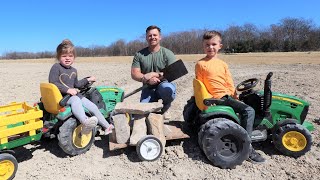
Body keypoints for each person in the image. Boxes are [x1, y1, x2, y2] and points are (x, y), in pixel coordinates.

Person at [195, 30, 266, 164]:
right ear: (203, 46)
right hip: (219, 98)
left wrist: (235, 96)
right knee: (249, 110)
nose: (210, 47)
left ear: (220, 46)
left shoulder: (223, 64)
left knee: (245, 103)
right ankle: (248, 147)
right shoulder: (201, 64)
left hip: (228, 95)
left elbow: (229, 82)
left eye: (213, 44)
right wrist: (211, 100)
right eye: (207, 45)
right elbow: (200, 86)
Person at [49, 39, 114, 135]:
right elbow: (53, 82)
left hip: (75, 95)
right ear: (59, 57)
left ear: (74, 57)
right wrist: (68, 90)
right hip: (62, 97)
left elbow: (76, 84)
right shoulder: (56, 67)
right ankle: (85, 121)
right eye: (64, 56)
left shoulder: (73, 70)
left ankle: (107, 126)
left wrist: (87, 80)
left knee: (93, 107)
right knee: (76, 100)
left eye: (70, 56)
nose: (67, 58)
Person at [131, 25, 176, 119]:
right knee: (141, 115)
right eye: (150, 35)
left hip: (164, 84)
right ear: (146, 38)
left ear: (160, 37)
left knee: (168, 89)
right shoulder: (139, 55)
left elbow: (174, 72)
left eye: (155, 35)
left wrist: (154, 74)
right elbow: (134, 73)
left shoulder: (168, 53)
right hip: (148, 87)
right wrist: (146, 79)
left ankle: (166, 108)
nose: (152, 37)